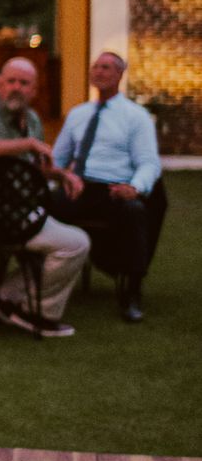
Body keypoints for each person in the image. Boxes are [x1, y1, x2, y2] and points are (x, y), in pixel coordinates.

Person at [0, 56, 90, 339]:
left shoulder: (29, 119)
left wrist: (61, 175)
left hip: (21, 210)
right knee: (75, 244)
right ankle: (35, 312)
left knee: (70, 238)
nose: (16, 88)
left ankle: (4, 297)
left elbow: (34, 168)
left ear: (34, 90)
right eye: (11, 81)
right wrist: (28, 143)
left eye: (24, 83)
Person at [51, 51, 164, 323]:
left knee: (135, 212)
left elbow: (149, 162)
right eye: (96, 67)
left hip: (113, 189)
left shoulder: (135, 117)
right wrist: (59, 177)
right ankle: (43, 282)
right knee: (42, 207)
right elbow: (58, 158)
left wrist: (134, 187)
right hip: (79, 185)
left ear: (119, 75)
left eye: (106, 68)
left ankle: (132, 291)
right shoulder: (78, 114)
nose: (99, 72)